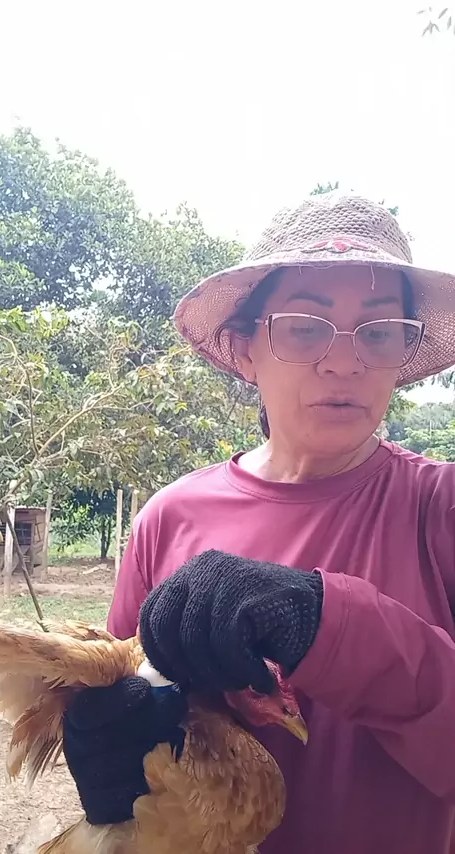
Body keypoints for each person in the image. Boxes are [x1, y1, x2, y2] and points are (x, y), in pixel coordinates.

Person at [63, 192, 455, 853]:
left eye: (379, 331)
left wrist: (326, 621)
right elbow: (127, 702)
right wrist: (107, 750)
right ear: (247, 350)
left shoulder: (439, 509)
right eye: (305, 326)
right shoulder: (169, 519)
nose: (344, 362)